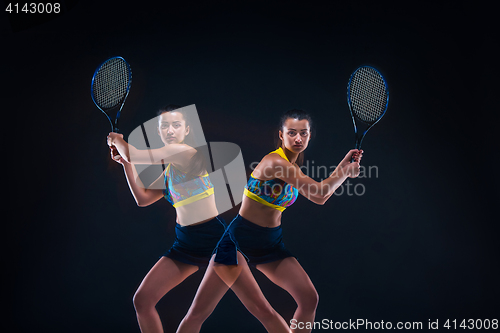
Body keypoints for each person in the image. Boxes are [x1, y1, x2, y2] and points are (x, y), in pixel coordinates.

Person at [176, 109, 363, 333]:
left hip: (269, 244)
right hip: (238, 244)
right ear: (281, 135)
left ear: (310, 136)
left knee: (308, 298)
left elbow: (320, 189)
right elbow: (319, 195)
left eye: (303, 133)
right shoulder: (276, 162)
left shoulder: (292, 167)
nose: (298, 138)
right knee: (210, 313)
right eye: (292, 132)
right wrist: (344, 173)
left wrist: (343, 167)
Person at [107, 105, 226, 333]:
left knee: (196, 318)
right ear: (158, 131)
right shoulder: (171, 169)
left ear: (187, 130)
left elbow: (133, 153)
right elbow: (143, 199)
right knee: (142, 300)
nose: (170, 130)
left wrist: (117, 141)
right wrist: (126, 165)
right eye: (164, 126)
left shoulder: (185, 152)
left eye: (176, 125)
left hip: (215, 242)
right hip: (186, 244)